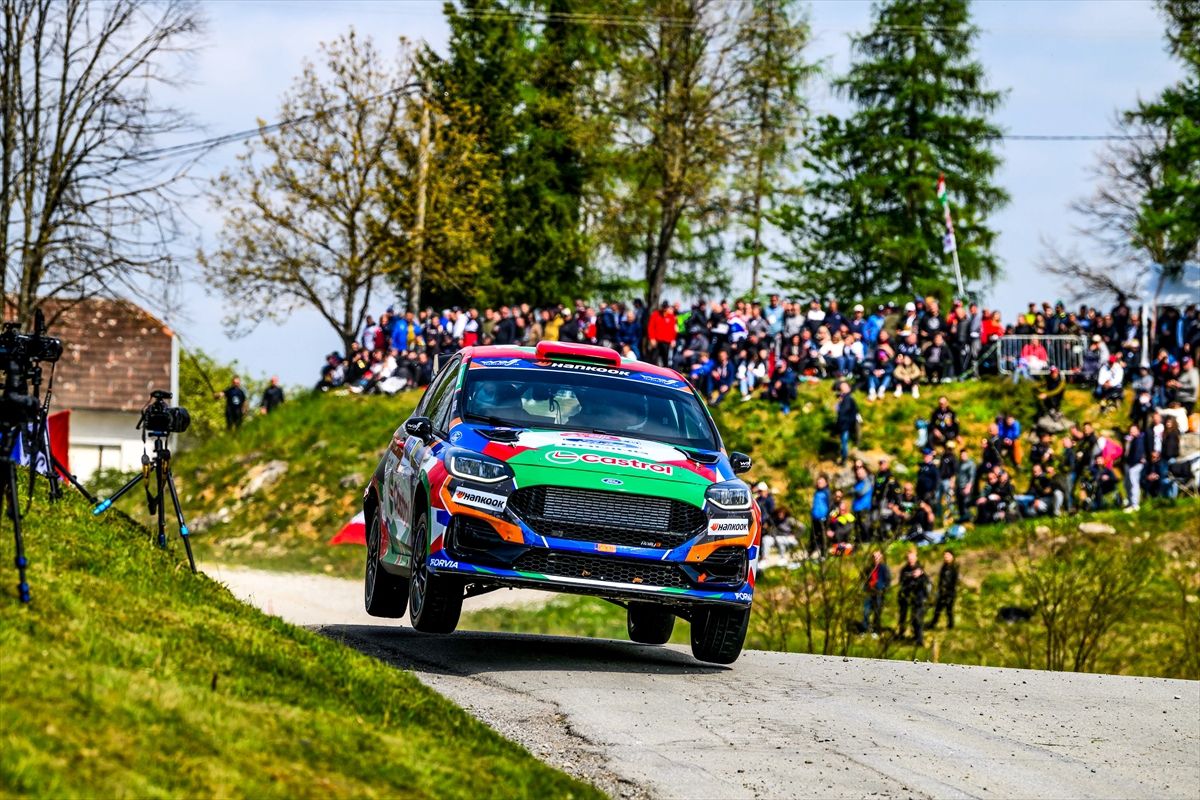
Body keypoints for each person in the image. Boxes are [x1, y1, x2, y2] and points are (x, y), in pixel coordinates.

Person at [897, 550, 931, 645]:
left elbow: (927, 583)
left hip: (919, 598)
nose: (911, 560)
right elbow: (901, 583)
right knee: (903, 617)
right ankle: (902, 634)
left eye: (912, 558)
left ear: (916, 558)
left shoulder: (921, 569)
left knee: (917, 618)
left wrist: (921, 574)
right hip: (906, 596)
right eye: (909, 558)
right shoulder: (904, 570)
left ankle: (919, 639)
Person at [861, 550, 891, 635]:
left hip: (879, 593)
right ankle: (864, 630)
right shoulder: (868, 568)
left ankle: (875, 631)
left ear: (881, 557)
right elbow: (863, 579)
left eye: (877, 556)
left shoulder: (884, 568)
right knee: (866, 611)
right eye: (874, 557)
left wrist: (880, 586)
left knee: (877, 613)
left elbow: (887, 581)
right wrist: (867, 586)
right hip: (869, 593)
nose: (876, 558)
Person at [928, 550, 959, 630]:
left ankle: (950, 626)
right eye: (945, 556)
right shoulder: (944, 567)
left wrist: (949, 592)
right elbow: (941, 580)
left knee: (949, 610)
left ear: (952, 557)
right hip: (941, 592)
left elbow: (955, 582)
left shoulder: (954, 567)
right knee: (937, 609)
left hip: (950, 592)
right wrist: (940, 589)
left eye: (948, 556)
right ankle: (933, 624)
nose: (946, 557)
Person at [834, 381, 858, 465]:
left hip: (845, 424)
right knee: (843, 441)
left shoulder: (847, 398)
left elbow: (844, 411)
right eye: (842, 387)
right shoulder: (845, 398)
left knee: (844, 441)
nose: (843, 388)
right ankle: (843, 456)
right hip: (845, 424)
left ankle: (844, 458)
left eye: (844, 386)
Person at [810, 475, 830, 555]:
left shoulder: (827, 492)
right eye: (818, 482)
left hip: (823, 518)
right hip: (815, 518)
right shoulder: (816, 492)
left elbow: (830, 505)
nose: (819, 484)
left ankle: (823, 554)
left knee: (822, 536)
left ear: (826, 483)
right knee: (813, 536)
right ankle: (811, 552)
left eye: (821, 482)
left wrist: (827, 517)